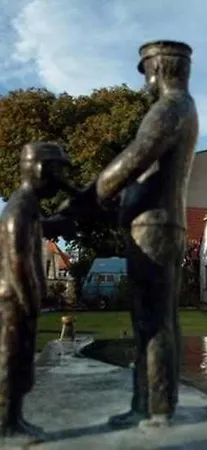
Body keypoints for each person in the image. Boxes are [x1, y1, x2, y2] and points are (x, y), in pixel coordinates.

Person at [58, 40, 198, 427]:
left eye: (146, 70)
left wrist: (85, 200)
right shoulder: (180, 107)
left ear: (160, 68)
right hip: (156, 222)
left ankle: (154, 408)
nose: (145, 79)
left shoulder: (170, 107)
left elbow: (134, 158)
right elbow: (144, 172)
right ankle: (153, 403)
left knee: (152, 319)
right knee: (156, 317)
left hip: (154, 225)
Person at [0, 142, 75, 438]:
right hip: (14, 300)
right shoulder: (20, 207)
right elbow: (18, 261)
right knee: (11, 358)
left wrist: (58, 221)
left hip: (18, 299)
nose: (61, 180)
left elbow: (36, 228)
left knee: (21, 359)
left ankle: (14, 418)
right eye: (58, 171)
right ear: (43, 169)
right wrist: (31, 302)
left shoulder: (27, 205)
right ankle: (6, 424)